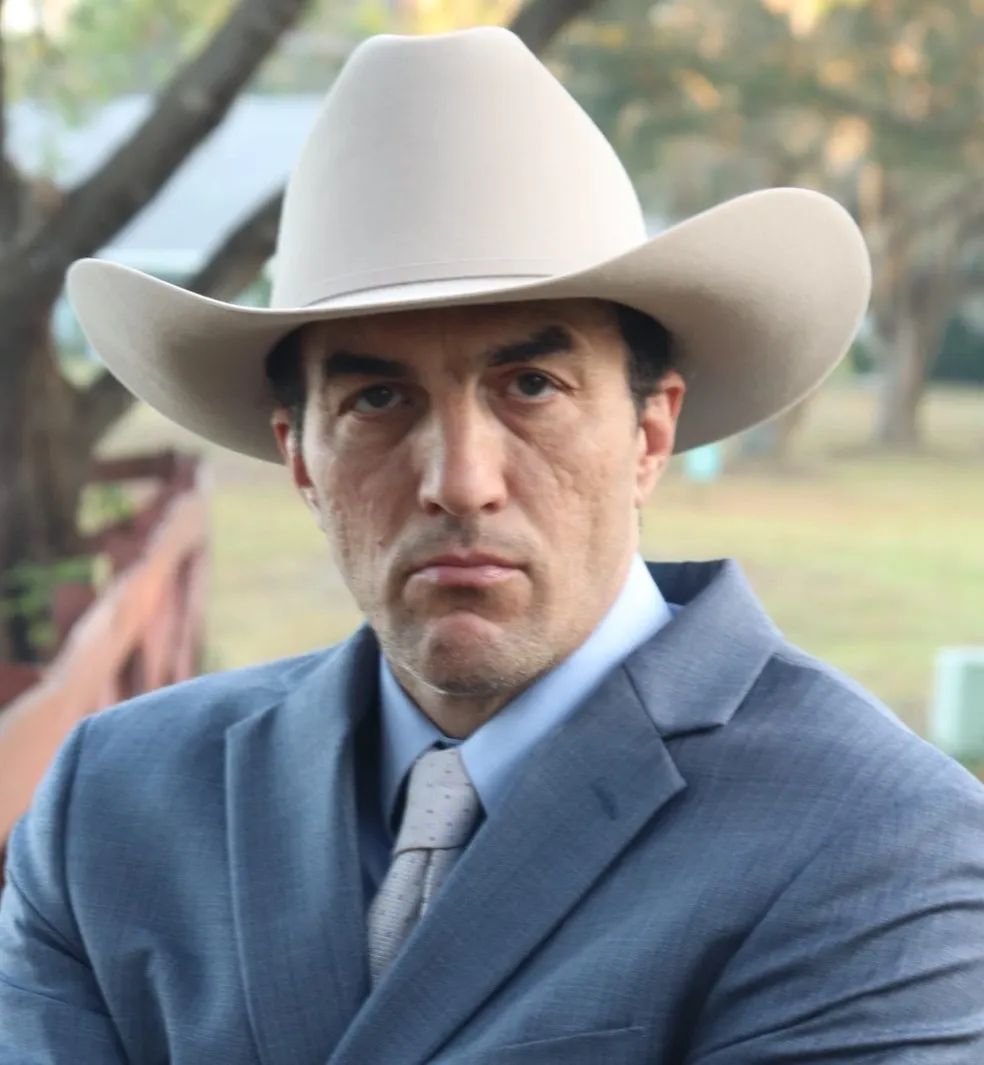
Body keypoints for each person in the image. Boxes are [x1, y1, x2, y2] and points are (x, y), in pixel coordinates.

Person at [1, 25, 982, 1065]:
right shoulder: (117, 801)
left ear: (649, 433)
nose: (459, 480)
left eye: (532, 388)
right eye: (378, 398)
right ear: (300, 458)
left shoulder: (876, 839)